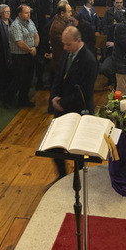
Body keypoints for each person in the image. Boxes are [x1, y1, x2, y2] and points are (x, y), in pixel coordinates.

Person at [48, 26, 100, 177]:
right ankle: (62, 177)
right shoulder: (68, 52)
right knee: (54, 147)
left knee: (77, 151)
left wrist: (62, 102)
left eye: (68, 44)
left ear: (78, 41)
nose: (64, 47)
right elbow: (59, 76)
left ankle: (77, 181)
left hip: (78, 110)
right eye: (63, 43)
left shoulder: (88, 60)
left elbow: (85, 92)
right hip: (62, 108)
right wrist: (54, 97)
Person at [7, 4, 39, 108]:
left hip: (29, 55)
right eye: (26, 13)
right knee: (19, 80)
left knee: (28, 79)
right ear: (19, 14)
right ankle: (7, 99)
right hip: (19, 57)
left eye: (29, 12)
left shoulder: (30, 22)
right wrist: (30, 50)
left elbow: (36, 35)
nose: (29, 14)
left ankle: (23, 100)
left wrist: (34, 46)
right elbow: (19, 43)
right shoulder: (16, 25)